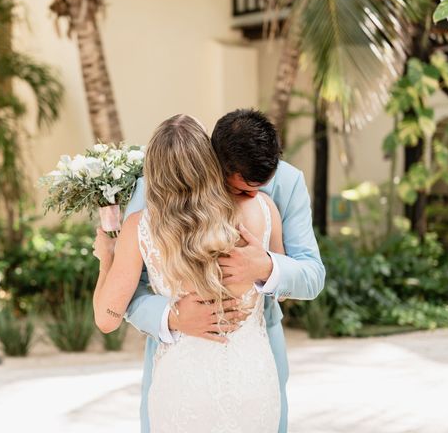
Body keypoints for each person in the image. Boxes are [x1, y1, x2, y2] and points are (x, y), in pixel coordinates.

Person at [117, 109, 326, 433]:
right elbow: (129, 290)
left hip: (255, 353)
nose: (252, 198)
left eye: (261, 188)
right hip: (177, 356)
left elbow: (312, 275)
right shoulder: (155, 185)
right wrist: (173, 316)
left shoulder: (287, 181)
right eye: (242, 191)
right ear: (216, 163)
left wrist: (266, 267)